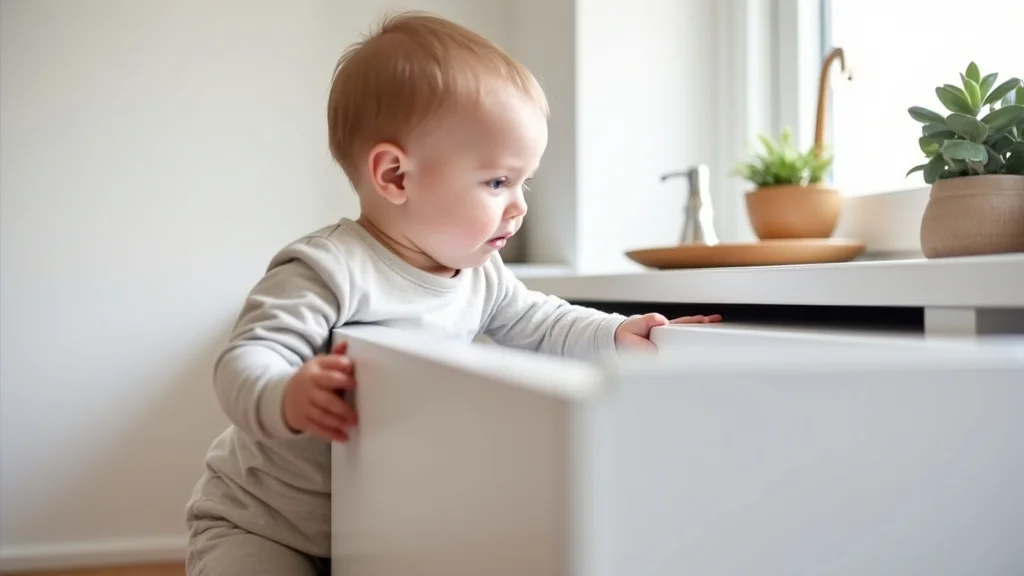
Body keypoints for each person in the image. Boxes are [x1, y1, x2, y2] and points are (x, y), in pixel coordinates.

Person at [184, 10, 720, 576]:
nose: (519, 205)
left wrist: (615, 333)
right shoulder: (327, 267)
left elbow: (543, 322)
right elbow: (244, 360)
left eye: (524, 181)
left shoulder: (481, 276)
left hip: (379, 527)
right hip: (264, 522)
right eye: (496, 181)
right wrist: (285, 394)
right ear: (395, 176)